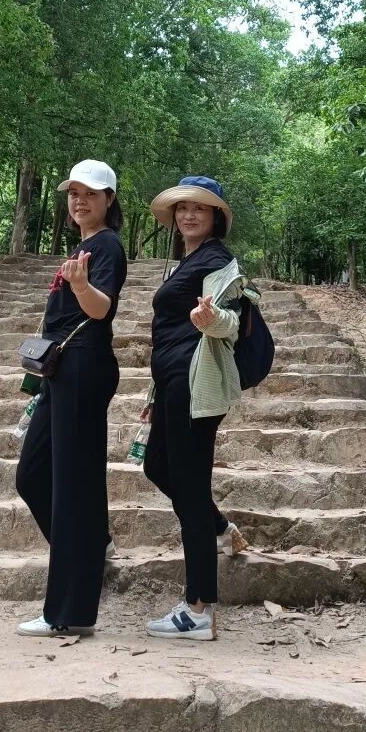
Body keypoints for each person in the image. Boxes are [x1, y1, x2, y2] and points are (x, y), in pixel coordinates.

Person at [15, 159, 128, 637]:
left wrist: (81, 285)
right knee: (32, 474)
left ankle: (70, 612)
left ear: (108, 200)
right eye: (73, 194)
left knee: (73, 488)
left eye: (90, 194)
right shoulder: (84, 245)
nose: (80, 201)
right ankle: (91, 546)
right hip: (61, 370)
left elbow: (101, 309)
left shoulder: (107, 246)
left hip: (84, 367)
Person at [142, 174, 251, 641]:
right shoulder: (185, 261)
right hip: (170, 385)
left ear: (215, 218)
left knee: (188, 487)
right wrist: (154, 394)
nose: (189, 214)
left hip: (193, 387)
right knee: (156, 466)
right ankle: (220, 527)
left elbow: (232, 318)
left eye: (200, 208)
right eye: (183, 207)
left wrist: (211, 319)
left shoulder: (217, 260)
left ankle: (199, 608)